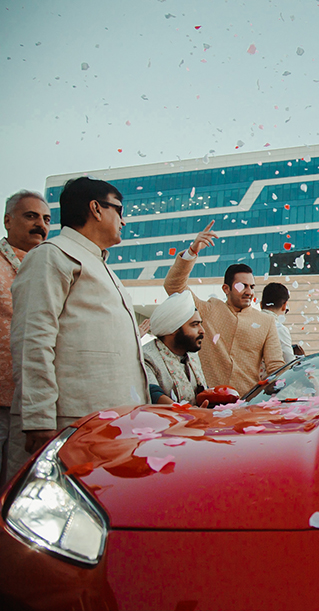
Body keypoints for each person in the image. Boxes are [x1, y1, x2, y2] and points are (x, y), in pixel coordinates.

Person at [9, 177, 149, 477]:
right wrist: (38, 417)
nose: (123, 221)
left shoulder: (101, 265)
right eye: (119, 210)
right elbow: (33, 339)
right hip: (66, 423)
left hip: (105, 422)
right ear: (96, 209)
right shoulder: (51, 255)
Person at [164, 221, 285, 392]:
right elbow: (173, 286)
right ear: (226, 289)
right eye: (242, 286)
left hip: (246, 401)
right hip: (206, 400)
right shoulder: (208, 310)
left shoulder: (266, 322)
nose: (249, 292)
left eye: (252, 286)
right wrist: (192, 252)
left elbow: (275, 367)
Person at [1, 190, 51, 483]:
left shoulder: (50, 267)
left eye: (46, 219)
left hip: (31, 405)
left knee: (20, 488)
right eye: (31, 216)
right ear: (8, 221)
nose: (40, 225)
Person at [143, 291, 208, 406]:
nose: (202, 330)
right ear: (173, 329)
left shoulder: (192, 356)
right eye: (194, 324)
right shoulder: (146, 356)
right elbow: (154, 394)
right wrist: (190, 412)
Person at [261, 282, 295, 363]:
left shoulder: (248, 323)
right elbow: (289, 362)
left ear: (261, 304)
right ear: (284, 305)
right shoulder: (279, 329)